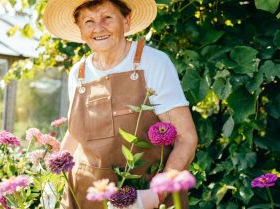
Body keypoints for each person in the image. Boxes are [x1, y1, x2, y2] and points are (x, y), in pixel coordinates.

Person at [43, 0, 198, 208]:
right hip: (85, 196)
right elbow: (76, 134)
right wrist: (53, 179)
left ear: (126, 21)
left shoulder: (152, 63)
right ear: (80, 31)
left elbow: (186, 138)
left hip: (142, 195)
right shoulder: (78, 73)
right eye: (89, 21)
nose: (98, 28)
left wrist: (155, 196)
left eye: (107, 17)